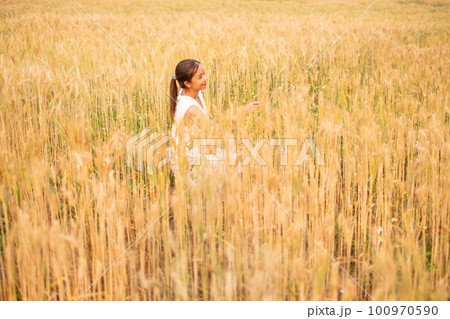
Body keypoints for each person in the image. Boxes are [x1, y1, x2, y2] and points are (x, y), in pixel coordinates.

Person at [168, 59, 259, 179]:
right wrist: (242, 113)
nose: (205, 78)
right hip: (187, 161)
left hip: (197, 149)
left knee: (238, 163)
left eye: (204, 74)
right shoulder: (191, 109)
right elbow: (218, 132)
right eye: (200, 77)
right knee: (234, 168)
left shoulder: (194, 92)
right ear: (187, 83)